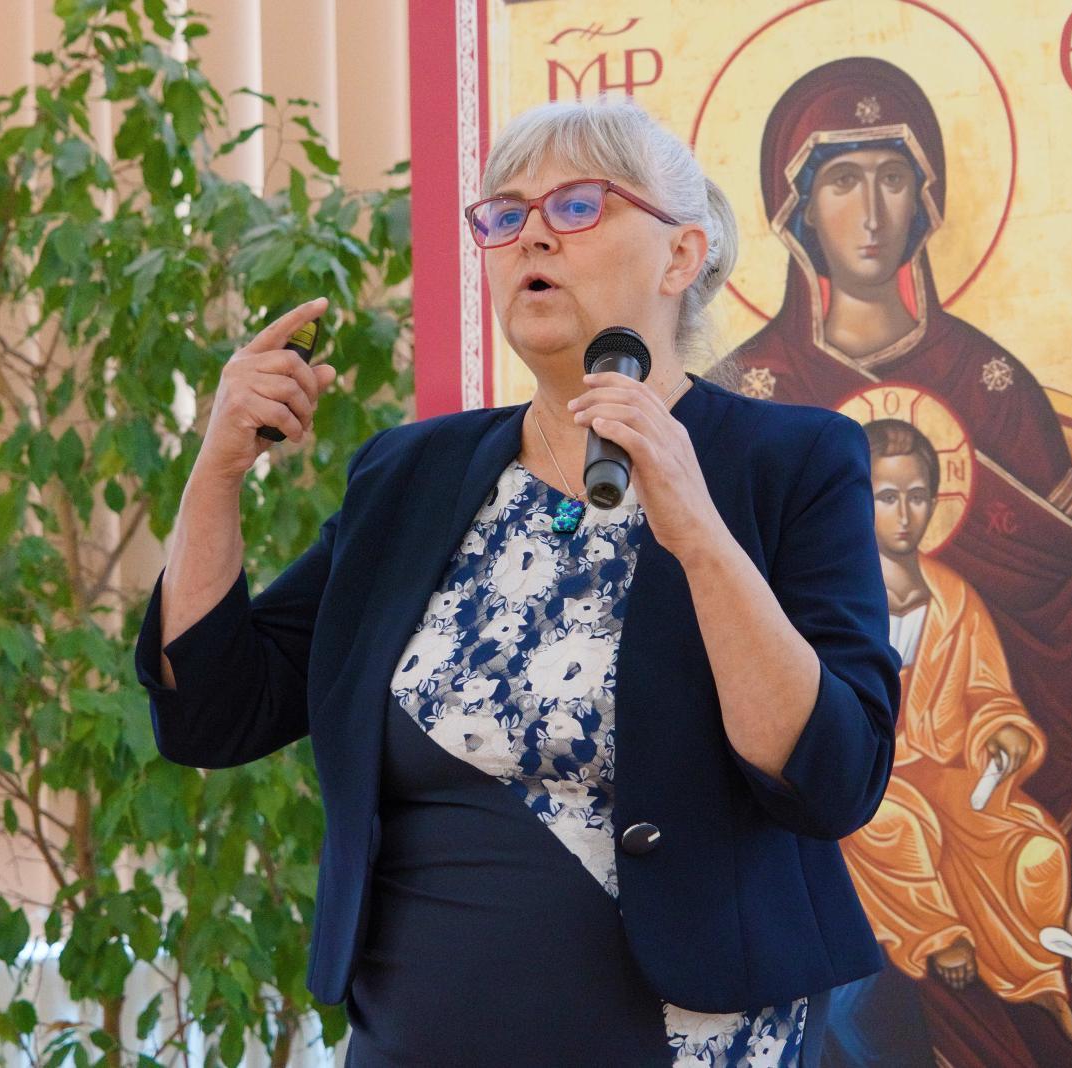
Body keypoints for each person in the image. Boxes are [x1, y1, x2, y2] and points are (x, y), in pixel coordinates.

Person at [134, 95, 902, 1067]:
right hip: (416, 1038)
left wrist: (701, 537)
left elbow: (832, 778)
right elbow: (213, 713)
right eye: (504, 215)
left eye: (578, 205)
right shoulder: (408, 476)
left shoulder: (790, 461)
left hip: (689, 1036)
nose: (531, 234)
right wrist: (217, 471)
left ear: (681, 255)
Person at [722, 55, 1072, 1066]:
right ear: (796, 209)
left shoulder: (994, 388)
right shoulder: (745, 396)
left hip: (997, 813)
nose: (871, 210)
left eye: (893, 177)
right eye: (842, 179)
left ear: (927, 200)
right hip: (813, 825)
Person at [841, 418, 1072, 1038]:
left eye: (918, 496)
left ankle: (1036, 976)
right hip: (863, 770)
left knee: (1036, 850)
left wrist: (1004, 732)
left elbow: (987, 692)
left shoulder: (954, 597)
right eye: (886, 497)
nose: (904, 515)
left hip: (944, 772)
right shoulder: (834, 593)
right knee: (896, 824)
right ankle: (939, 936)